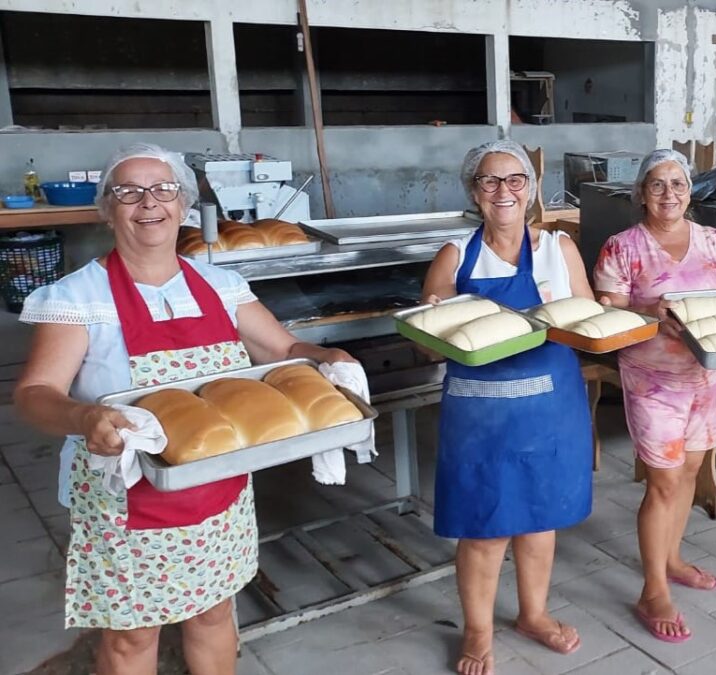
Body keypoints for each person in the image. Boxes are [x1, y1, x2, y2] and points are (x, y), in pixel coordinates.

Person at [12, 143, 356, 675]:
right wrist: (83, 418)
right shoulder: (79, 297)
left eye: (163, 189)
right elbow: (35, 393)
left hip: (218, 483)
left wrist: (325, 357)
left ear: (184, 205)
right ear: (107, 209)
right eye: (128, 192)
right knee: (132, 637)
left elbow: (283, 351)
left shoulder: (222, 286)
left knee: (214, 614)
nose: (148, 203)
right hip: (125, 502)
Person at [421, 140, 594, 675]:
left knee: (542, 520)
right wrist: (435, 318)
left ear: (532, 188)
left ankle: (533, 614)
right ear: (474, 191)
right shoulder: (455, 254)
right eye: (490, 181)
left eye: (515, 179)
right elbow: (427, 345)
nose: (504, 191)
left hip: (551, 407)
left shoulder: (558, 249)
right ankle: (476, 631)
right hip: (481, 418)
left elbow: (587, 319)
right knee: (485, 528)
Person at [593, 149, 716, 643]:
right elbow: (608, 309)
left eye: (678, 184)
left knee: (691, 474)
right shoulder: (623, 246)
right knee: (662, 483)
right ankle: (653, 589)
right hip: (653, 382)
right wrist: (649, 308)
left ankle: (673, 558)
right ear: (640, 194)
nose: (669, 194)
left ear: (690, 192)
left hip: (705, 376)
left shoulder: (714, 241)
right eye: (657, 185)